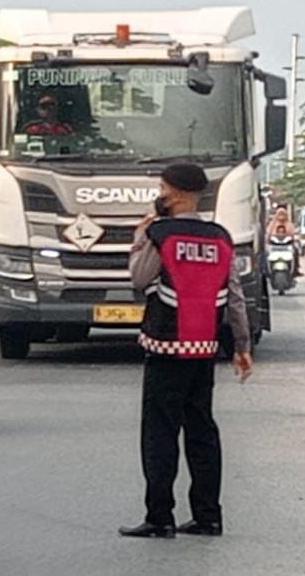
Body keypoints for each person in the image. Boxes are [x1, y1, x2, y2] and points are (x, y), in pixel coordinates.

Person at [120, 163, 253, 540]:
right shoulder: (220, 236)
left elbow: (138, 277)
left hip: (165, 346)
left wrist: (141, 236)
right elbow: (237, 298)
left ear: (175, 194)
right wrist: (241, 346)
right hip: (204, 347)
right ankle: (208, 516)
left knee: (160, 433)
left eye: (162, 187)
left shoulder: (160, 232)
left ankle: (160, 516)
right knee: (202, 431)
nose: (158, 194)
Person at [266, 206, 301, 276]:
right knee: (265, 253)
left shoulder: (289, 224)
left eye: (283, 214)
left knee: (296, 250)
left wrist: (293, 238)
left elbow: (293, 234)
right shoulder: (272, 224)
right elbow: (268, 233)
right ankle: (266, 270)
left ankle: (296, 269)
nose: (281, 216)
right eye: (279, 214)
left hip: (287, 245)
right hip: (274, 245)